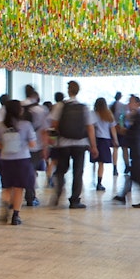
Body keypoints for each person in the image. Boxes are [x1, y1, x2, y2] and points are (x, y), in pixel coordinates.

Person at [47, 81, 97, 209]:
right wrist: (93, 146)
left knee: (61, 170)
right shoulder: (84, 107)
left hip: (63, 143)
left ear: (68, 90)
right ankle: (75, 200)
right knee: (78, 172)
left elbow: (54, 125)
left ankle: (58, 190)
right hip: (80, 144)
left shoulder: (60, 106)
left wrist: (52, 141)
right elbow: (90, 128)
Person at [0, 101, 37, 225]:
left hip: (5, 160)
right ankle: (15, 216)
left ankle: (5, 208)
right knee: (19, 188)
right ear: (19, 111)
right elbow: (33, 144)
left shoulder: (0, 126)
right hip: (22, 159)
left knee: (6, 187)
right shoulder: (26, 125)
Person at [114, 95, 140, 208]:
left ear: (137, 103)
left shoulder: (139, 115)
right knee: (134, 173)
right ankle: (124, 195)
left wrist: (124, 132)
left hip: (138, 147)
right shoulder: (138, 115)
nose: (128, 104)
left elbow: (136, 132)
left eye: (131, 102)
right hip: (138, 147)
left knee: (137, 174)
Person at [21, 86, 50, 206]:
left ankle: (13, 197)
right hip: (35, 145)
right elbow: (44, 131)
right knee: (32, 171)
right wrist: (45, 148)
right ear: (35, 96)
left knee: (20, 171)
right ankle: (30, 196)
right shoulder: (41, 110)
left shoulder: (19, 107)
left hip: (19, 145)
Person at [92, 97, 119, 191]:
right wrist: (115, 140)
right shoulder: (108, 114)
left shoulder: (93, 114)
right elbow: (113, 128)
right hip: (105, 140)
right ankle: (99, 183)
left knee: (96, 161)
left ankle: (95, 180)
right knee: (101, 164)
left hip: (95, 139)